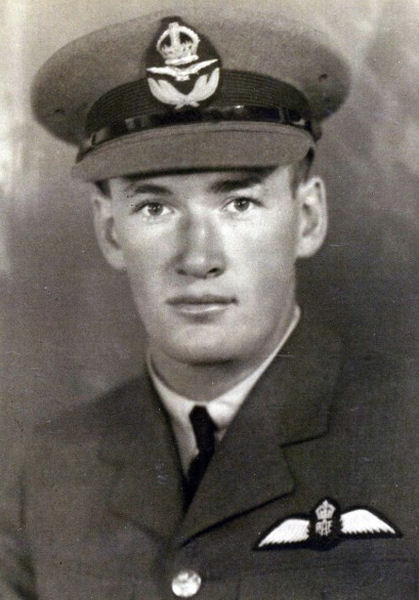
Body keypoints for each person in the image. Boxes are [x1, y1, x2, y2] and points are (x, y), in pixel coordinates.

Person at [0, 5, 416, 599]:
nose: (198, 258)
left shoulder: (405, 435)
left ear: (307, 218)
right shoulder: (44, 475)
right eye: (155, 207)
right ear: (111, 232)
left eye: (239, 203)